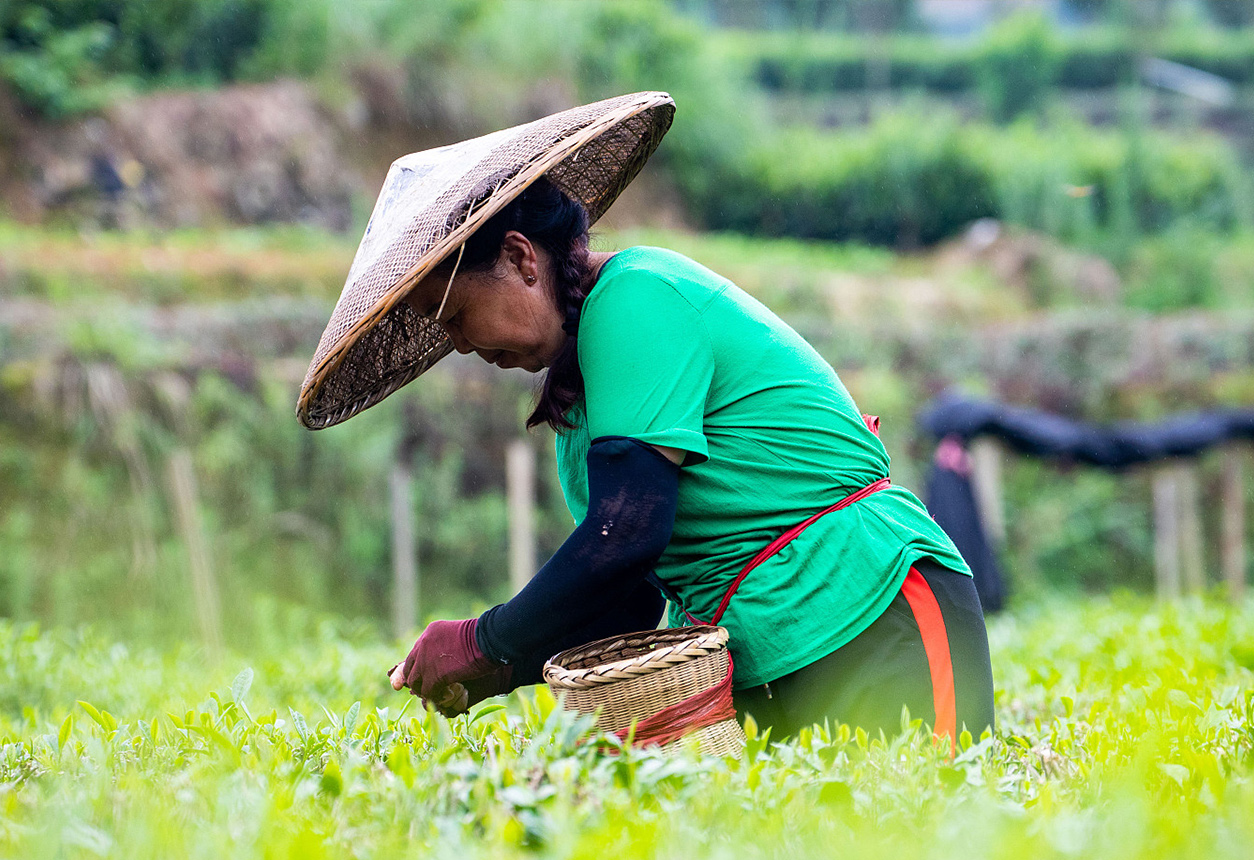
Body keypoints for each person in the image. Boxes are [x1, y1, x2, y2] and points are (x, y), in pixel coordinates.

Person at [299, 92, 992, 741]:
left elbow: (627, 533)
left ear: (519, 259)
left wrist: (484, 640)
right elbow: (628, 598)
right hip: (763, 664)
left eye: (456, 316)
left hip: (873, 613)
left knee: (926, 815)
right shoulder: (580, 411)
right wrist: (497, 668)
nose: (459, 345)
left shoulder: (638, 298)